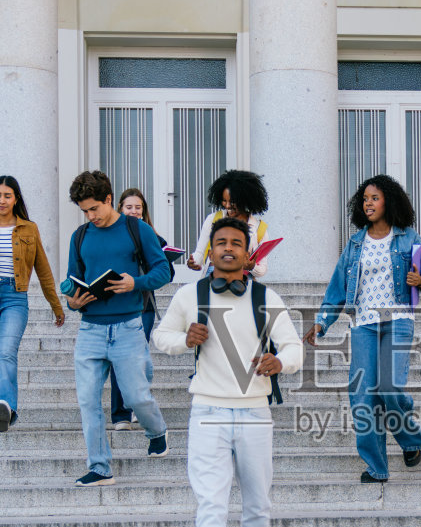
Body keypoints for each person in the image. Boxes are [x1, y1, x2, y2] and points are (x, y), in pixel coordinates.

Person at [153, 214, 303, 527]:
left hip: (255, 410)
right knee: (210, 506)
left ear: (247, 250)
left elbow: (294, 347)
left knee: (257, 503)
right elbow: (159, 337)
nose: (228, 248)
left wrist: (280, 362)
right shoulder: (189, 295)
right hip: (207, 411)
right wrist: (184, 341)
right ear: (211, 249)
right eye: (220, 242)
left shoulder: (265, 297)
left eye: (236, 242)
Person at [304, 175, 421, 483]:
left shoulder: (408, 237)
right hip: (363, 324)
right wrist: (322, 321)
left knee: (389, 388)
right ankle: (376, 466)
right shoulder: (356, 243)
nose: (368, 203)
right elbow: (338, 287)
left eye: (374, 198)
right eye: (365, 199)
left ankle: (411, 439)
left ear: (389, 200)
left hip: (398, 319)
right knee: (362, 394)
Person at [63, 169, 171, 487]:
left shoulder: (137, 230)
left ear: (109, 199)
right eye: (84, 210)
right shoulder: (80, 236)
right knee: (87, 401)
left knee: (136, 396)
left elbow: (163, 271)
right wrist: (74, 301)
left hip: (128, 327)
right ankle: (99, 466)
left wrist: (134, 282)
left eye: (94, 208)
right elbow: (72, 283)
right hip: (90, 330)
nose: (89, 215)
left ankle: (157, 431)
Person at [0, 175, 64, 433]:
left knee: (7, 352)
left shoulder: (29, 228)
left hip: (14, 295)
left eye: (7, 195)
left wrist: (56, 305)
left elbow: (44, 270)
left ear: (16, 198)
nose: (2, 200)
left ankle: (5, 403)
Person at [108, 187, 174, 431]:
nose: (134, 211)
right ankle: (120, 413)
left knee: (136, 358)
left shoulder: (154, 238)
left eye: (138, 207)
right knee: (119, 358)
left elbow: (168, 274)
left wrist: (160, 263)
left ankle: (137, 407)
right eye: (129, 207)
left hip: (144, 306)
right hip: (117, 306)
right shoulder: (112, 236)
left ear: (144, 211)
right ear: (120, 209)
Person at [188, 169, 271, 278]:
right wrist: (193, 262)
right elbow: (199, 253)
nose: (227, 206)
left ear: (245, 200)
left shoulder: (259, 229)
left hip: (243, 280)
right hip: (214, 276)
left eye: (232, 201)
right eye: (224, 201)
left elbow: (262, 269)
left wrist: (251, 267)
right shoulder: (212, 219)